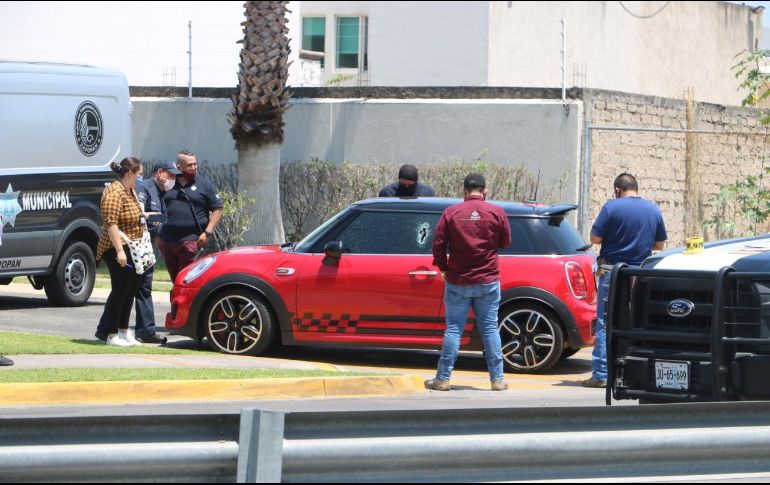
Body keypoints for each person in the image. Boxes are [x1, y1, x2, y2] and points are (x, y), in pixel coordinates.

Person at [426, 173, 512, 391]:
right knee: (490, 328)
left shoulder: (451, 213)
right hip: (488, 279)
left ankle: (442, 379)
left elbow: (438, 244)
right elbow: (505, 241)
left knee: (453, 329)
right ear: (485, 191)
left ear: (464, 191)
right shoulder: (496, 212)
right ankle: (497, 379)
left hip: (458, 280)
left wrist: (443, 267)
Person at [582, 172, 667, 388]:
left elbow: (594, 238)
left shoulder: (612, 207)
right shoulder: (653, 209)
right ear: (636, 188)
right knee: (636, 322)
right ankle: (633, 372)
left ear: (617, 190)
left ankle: (601, 374)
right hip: (640, 275)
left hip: (613, 272)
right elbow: (659, 245)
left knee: (605, 321)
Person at [94, 157, 148, 346]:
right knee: (120, 290)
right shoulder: (114, 192)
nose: (140, 178)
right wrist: (119, 251)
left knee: (131, 289)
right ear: (130, 173)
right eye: (139, 174)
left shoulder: (130, 190)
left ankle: (123, 331)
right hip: (115, 247)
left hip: (132, 246)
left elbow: (131, 215)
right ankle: (111, 334)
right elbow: (111, 224)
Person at [133, 161, 180, 344]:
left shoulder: (160, 192)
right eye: (171, 175)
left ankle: (145, 331)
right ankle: (117, 330)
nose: (173, 179)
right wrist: (157, 219)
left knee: (143, 288)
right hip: (136, 246)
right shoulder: (144, 188)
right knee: (135, 289)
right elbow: (139, 217)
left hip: (146, 246)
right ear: (160, 172)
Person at [160, 150, 224, 283]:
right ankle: (176, 304)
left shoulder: (204, 184)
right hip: (168, 242)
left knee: (188, 280)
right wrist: (157, 235)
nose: (194, 167)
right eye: (189, 165)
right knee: (175, 281)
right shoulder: (167, 184)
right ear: (179, 167)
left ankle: (187, 304)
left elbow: (217, 209)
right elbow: (157, 211)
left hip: (192, 241)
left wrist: (207, 233)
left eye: (195, 164)